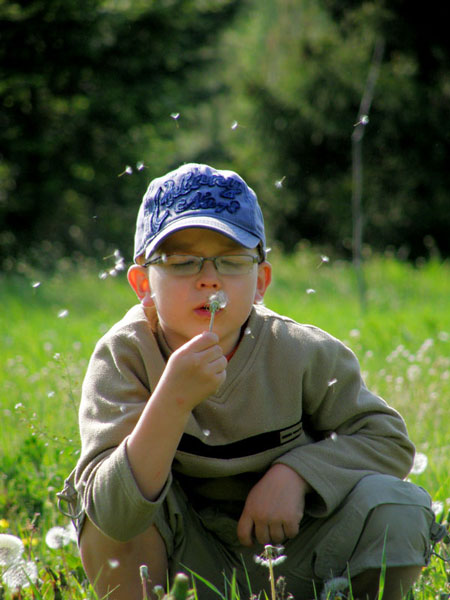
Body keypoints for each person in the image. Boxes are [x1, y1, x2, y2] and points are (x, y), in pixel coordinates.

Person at [59, 163, 440, 600]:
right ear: (143, 283)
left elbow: (387, 441)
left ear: (260, 282)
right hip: (182, 564)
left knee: (398, 505)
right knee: (102, 503)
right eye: (182, 263)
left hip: (297, 556)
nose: (209, 278)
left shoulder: (299, 350)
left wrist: (297, 474)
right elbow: (115, 516)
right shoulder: (125, 355)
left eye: (232, 261)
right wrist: (172, 400)